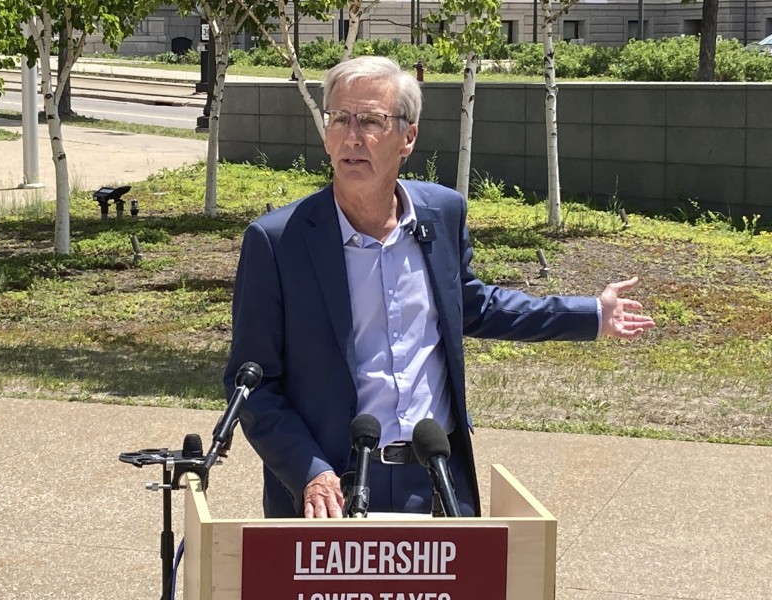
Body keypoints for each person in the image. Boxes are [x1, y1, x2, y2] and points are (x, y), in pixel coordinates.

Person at [224, 56, 654, 519]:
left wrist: (591, 314)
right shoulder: (278, 241)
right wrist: (309, 472)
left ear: (408, 137)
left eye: (371, 121)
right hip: (332, 489)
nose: (352, 137)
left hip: (436, 479)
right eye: (340, 119)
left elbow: (473, 306)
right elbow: (253, 383)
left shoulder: (442, 213)